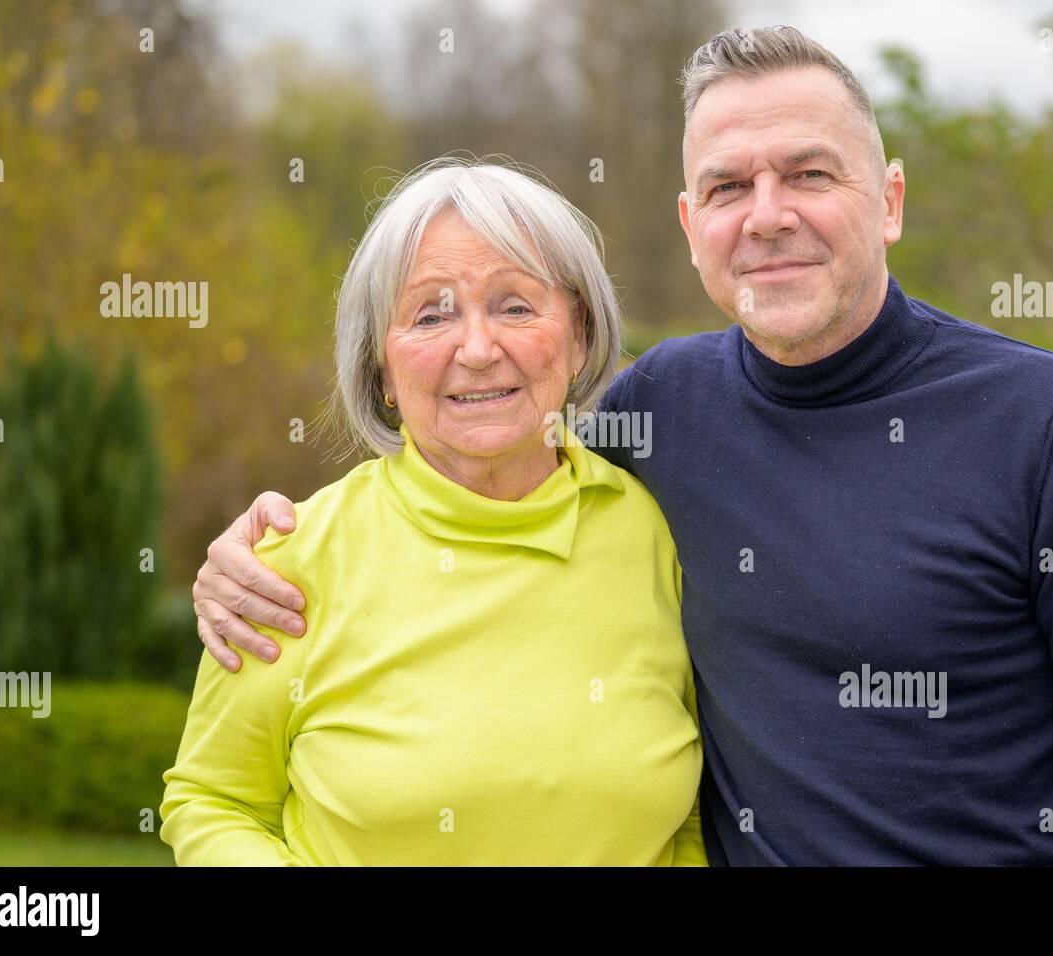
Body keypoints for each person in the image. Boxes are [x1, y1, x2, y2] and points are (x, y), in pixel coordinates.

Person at [191, 27, 1053, 866]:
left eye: (809, 173)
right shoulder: (657, 417)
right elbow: (477, 442)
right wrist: (260, 551)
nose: (767, 216)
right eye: (728, 188)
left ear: (890, 200)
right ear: (690, 224)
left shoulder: (1050, 425)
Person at [161, 159, 705, 866]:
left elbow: (691, 816)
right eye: (431, 314)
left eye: (515, 306)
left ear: (577, 335)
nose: (478, 350)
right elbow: (213, 801)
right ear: (381, 368)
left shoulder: (657, 530)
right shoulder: (288, 563)